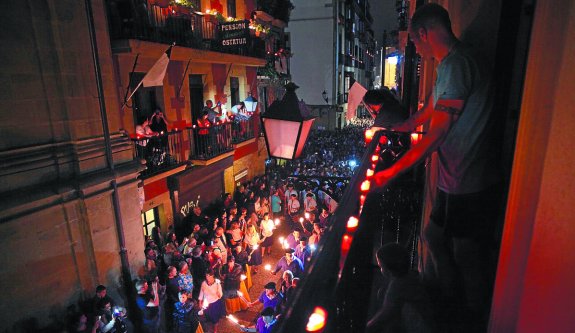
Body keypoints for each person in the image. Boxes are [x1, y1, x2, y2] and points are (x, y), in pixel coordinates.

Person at [369, 4, 501, 330]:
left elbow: (436, 134)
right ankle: (451, 300)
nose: (420, 52)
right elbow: (423, 116)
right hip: (452, 179)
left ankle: (468, 316)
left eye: (417, 43)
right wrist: (392, 130)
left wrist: (390, 172)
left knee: (467, 253)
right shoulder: (447, 67)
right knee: (435, 236)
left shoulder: (457, 67)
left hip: (467, 180)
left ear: (424, 34)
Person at [366, 243, 436, 333]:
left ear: (388, 268)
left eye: (381, 266)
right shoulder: (410, 275)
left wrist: (367, 326)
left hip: (421, 327)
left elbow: (385, 314)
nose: (381, 269)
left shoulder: (398, 285)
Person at [198, 269, 226, 333]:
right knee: (208, 316)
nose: (207, 277)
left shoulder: (217, 283)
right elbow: (201, 293)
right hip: (207, 303)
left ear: (212, 276)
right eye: (206, 276)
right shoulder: (204, 283)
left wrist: (218, 292)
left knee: (215, 317)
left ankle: (215, 329)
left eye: (208, 276)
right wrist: (200, 302)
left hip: (215, 303)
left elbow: (220, 295)